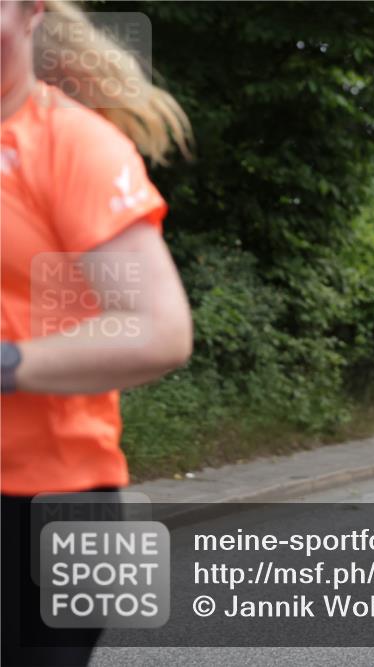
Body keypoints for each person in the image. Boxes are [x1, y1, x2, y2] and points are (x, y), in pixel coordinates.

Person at [1, 2, 194, 665]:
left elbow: (160, 329)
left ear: (31, 12)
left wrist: (7, 361)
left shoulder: (72, 144)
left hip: (46, 502)